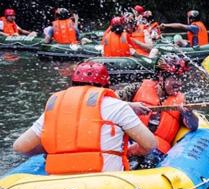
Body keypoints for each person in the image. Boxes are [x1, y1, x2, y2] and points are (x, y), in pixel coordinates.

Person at [12, 61, 156, 174]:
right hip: (106, 182)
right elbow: (149, 144)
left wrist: (52, 148)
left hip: (57, 183)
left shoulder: (54, 106)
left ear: (73, 83)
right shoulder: (118, 106)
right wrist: (131, 150)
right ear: (106, 85)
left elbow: (20, 147)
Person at [116, 54, 199, 168]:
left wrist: (187, 113)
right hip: (131, 143)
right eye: (174, 78)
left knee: (147, 163)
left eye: (180, 78)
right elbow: (108, 103)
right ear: (160, 76)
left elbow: (194, 126)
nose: (179, 83)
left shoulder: (182, 100)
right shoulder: (136, 88)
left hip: (157, 151)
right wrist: (130, 105)